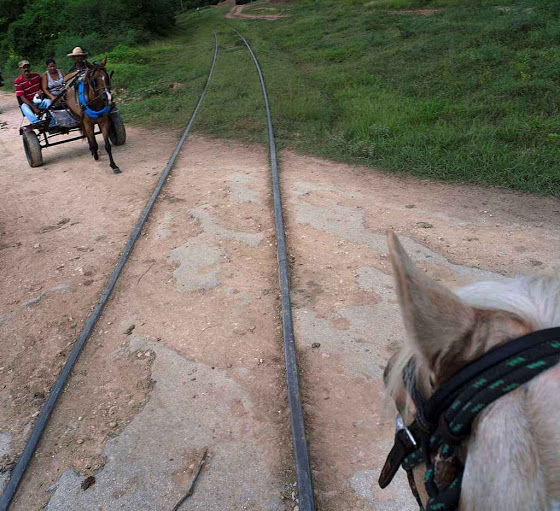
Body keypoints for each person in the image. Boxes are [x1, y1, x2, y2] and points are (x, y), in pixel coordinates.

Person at [14, 60, 52, 126]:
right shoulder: (18, 81)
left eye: (27, 67)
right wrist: (34, 108)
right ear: (20, 69)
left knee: (49, 102)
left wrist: (41, 92)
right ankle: (36, 122)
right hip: (29, 104)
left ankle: (52, 123)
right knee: (24, 107)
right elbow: (22, 97)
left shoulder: (36, 76)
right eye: (24, 67)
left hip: (39, 101)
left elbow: (43, 86)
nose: (26, 69)